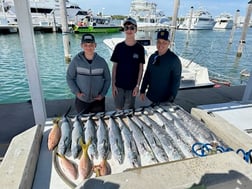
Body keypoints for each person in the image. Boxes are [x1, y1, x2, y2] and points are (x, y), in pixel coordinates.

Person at [66, 33, 111, 114]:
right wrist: (77, 92)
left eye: (91, 45)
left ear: (95, 45)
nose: (88, 47)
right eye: (85, 45)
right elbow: (69, 77)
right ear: (81, 46)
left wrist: (103, 94)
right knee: (82, 123)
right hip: (82, 100)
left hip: (98, 100)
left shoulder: (102, 62)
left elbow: (108, 79)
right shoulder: (76, 61)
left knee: (99, 122)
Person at [110, 17, 145, 110]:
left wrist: (138, 86)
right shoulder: (118, 47)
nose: (129, 30)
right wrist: (113, 85)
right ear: (124, 30)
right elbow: (114, 67)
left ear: (136, 30)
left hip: (132, 87)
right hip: (119, 86)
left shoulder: (140, 48)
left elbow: (141, 69)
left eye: (132, 28)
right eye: (126, 28)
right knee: (118, 109)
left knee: (129, 111)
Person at [140, 29, 182, 105]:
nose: (161, 45)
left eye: (164, 42)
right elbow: (147, 75)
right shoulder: (152, 57)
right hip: (149, 97)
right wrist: (142, 90)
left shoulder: (174, 60)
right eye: (159, 42)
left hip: (165, 100)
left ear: (169, 43)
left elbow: (176, 81)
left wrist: (171, 98)